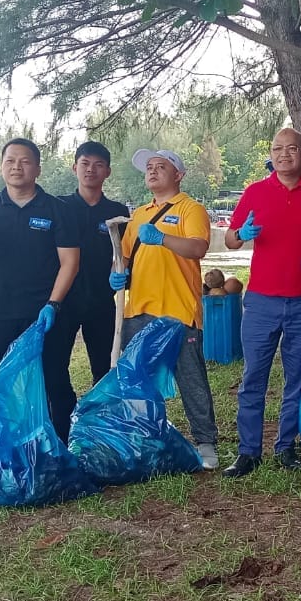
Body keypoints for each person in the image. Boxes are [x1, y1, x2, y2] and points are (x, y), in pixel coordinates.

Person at [223, 128, 301, 477]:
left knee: (297, 379)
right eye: (277, 149)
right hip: (260, 302)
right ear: (271, 155)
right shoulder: (255, 192)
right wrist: (241, 235)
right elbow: (229, 239)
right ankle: (248, 452)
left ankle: (287, 447)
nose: (284, 154)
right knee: (252, 378)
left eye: (292, 149)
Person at [0, 138, 80, 439]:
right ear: (1, 167)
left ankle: (59, 450)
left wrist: (53, 304)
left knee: (53, 382)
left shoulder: (57, 209)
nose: (17, 166)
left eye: (25, 161)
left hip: (43, 315)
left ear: (37, 168)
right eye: (10, 160)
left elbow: (70, 263)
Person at [108, 148, 219, 470]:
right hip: (137, 310)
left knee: (191, 378)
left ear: (178, 175)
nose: (153, 172)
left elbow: (198, 248)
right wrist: (116, 274)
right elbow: (124, 257)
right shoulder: (138, 214)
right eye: (150, 168)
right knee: (135, 378)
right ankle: (142, 437)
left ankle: (206, 442)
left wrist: (163, 238)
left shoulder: (190, 209)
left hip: (179, 309)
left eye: (161, 167)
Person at [51, 141, 129, 394]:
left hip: (102, 301)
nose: (90, 170)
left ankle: (102, 424)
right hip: (64, 300)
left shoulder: (117, 212)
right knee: (54, 367)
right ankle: (62, 421)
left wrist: (121, 272)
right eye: (84, 164)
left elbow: (125, 255)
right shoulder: (59, 207)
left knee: (105, 369)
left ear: (108, 171)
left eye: (98, 165)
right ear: (75, 168)